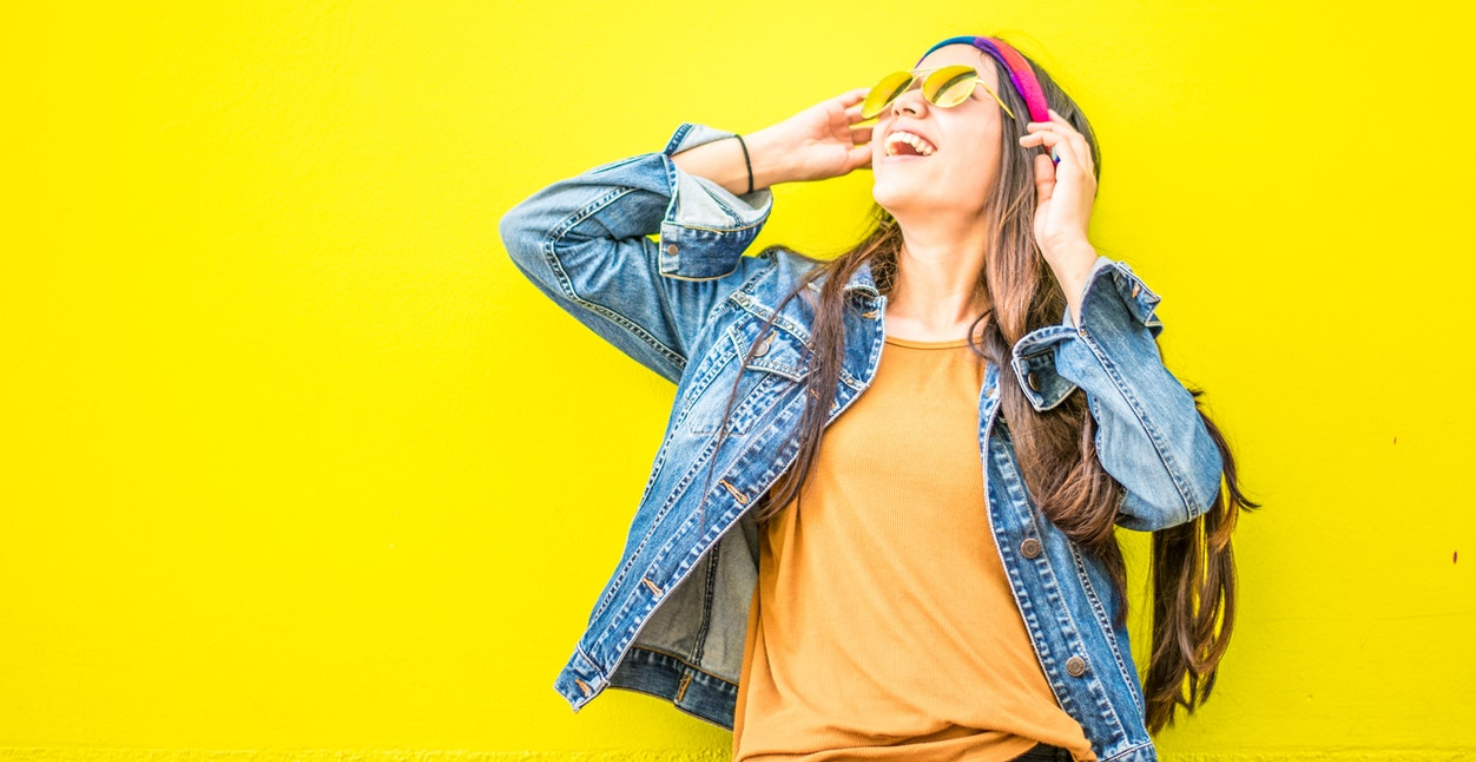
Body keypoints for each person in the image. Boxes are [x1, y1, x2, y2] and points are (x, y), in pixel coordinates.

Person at [499, 33, 1254, 762]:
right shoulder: (770, 320)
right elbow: (549, 237)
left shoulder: (1063, 362)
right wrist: (764, 157)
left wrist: (1072, 250)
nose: (904, 108)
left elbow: (1178, 487)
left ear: (1039, 151)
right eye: (897, 94)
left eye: (953, 91)